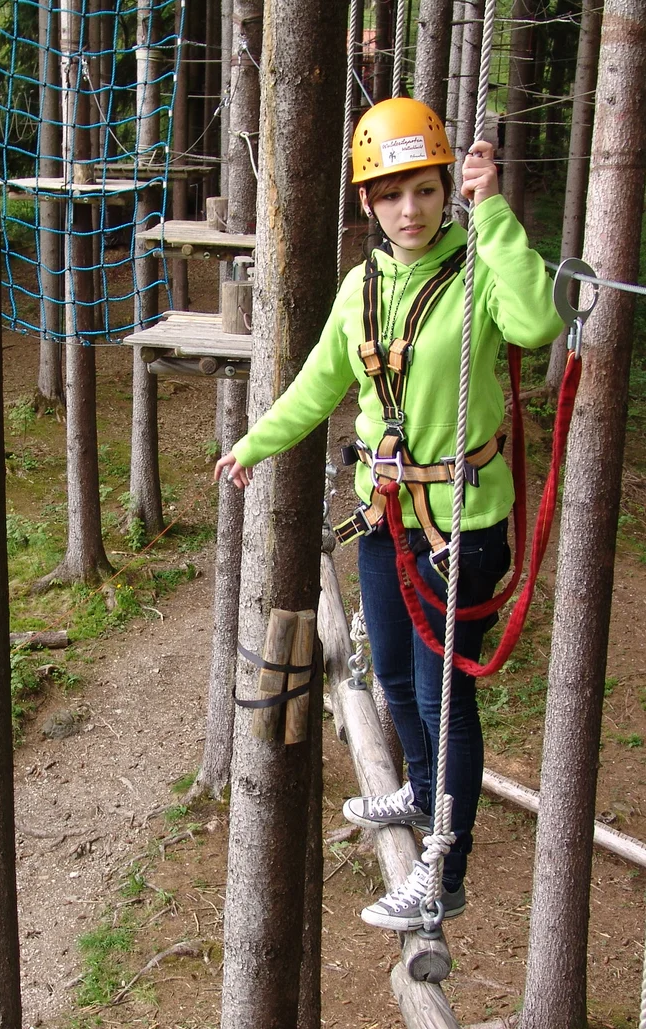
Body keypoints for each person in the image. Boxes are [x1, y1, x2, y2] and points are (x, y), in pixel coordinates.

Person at [214, 97, 563, 932]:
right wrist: (256, 444)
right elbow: (320, 382)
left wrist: (496, 213)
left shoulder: (480, 269)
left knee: (446, 700)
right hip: (387, 516)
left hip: (461, 529)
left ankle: (445, 865)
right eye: (391, 194)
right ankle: (418, 787)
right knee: (397, 676)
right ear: (368, 204)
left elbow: (539, 322)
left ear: (447, 189)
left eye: (425, 191)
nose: (410, 210)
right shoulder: (362, 286)